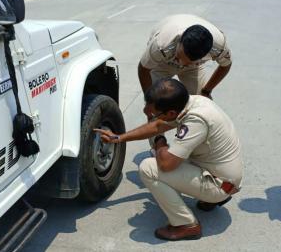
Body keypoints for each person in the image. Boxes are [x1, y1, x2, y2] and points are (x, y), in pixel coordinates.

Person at [95, 78, 242, 241]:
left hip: (220, 184)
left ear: (171, 113)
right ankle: (209, 200)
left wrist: (159, 141)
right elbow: (157, 126)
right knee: (168, 152)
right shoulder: (194, 102)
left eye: (152, 113)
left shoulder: (196, 120)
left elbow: (166, 164)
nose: (147, 114)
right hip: (221, 173)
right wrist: (119, 137)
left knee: (149, 168)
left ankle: (186, 225)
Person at [138, 14, 232, 103]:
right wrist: (150, 102)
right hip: (162, 63)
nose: (181, 65)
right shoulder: (161, 46)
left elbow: (226, 65)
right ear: (180, 41)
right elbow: (143, 69)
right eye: (178, 58)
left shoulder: (218, 47)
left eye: (187, 63)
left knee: (200, 102)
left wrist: (206, 91)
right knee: (157, 101)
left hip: (193, 69)